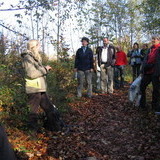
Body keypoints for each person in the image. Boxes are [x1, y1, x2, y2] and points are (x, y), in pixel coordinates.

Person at [21, 40, 64, 131]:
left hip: (40, 88)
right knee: (33, 112)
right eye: (38, 45)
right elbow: (31, 74)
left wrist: (44, 68)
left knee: (49, 108)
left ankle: (55, 128)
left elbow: (36, 71)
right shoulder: (27, 58)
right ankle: (32, 133)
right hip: (34, 89)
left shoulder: (33, 57)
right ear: (33, 47)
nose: (39, 47)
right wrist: (45, 69)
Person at [140, 35, 160, 114]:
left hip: (156, 72)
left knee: (156, 90)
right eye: (152, 39)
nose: (153, 40)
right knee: (142, 86)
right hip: (147, 72)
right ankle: (142, 104)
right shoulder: (150, 49)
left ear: (159, 40)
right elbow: (145, 60)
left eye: (155, 39)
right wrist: (142, 71)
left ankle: (155, 107)